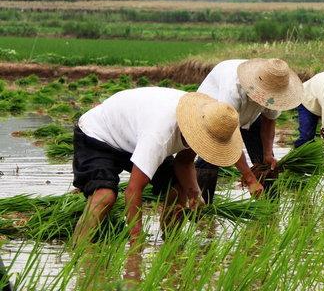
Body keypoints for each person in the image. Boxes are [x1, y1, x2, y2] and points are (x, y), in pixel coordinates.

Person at [72, 87, 242, 245]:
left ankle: (170, 242)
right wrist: (136, 242)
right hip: (98, 132)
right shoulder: (160, 135)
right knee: (105, 196)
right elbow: (133, 190)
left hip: (134, 133)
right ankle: (77, 248)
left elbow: (184, 162)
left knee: (177, 188)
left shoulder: (207, 119)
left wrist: (194, 194)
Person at [194, 58, 303, 202]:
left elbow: (269, 121)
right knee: (211, 154)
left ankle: (270, 207)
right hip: (214, 111)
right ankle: (201, 211)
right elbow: (229, 138)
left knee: (265, 164)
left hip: (249, 114)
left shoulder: (275, 89)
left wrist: (268, 153)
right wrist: (249, 178)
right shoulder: (233, 90)